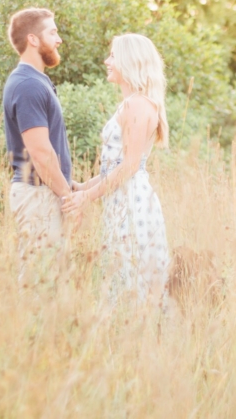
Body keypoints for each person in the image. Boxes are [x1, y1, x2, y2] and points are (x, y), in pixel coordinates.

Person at [63, 34, 171, 306]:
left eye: (113, 55)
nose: (107, 61)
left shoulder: (137, 105)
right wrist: (83, 186)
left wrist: (86, 198)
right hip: (123, 198)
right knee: (124, 274)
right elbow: (115, 165)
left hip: (131, 202)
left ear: (129, 61)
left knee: (130, 276)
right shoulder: (133, 103)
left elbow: (130, 166)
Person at [2, 8, 85, 285]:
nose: (59, 39)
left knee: (50, 281)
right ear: (33, 40)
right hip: (38, 196)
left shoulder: (38, 81)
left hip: (45, 192)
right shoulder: (27, 85)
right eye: (53, 32)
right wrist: (67, 198)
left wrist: (69, 185)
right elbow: (39, 152)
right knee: (39, 284)